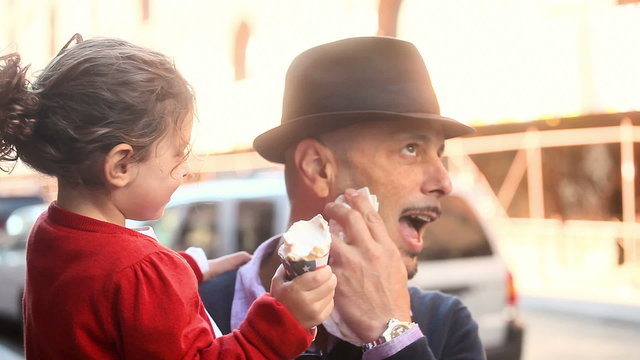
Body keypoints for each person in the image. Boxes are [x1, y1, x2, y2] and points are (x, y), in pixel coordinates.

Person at [0, 34, 336, 359]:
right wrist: (286, 320)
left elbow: (106, 289)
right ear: (120, 164)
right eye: (178, 153)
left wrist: (188, 268)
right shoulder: (141, 270)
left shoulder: (49, 231)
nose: (186, 169)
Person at [200, 36, 486, 359]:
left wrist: (393, 334)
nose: (444, 181)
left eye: (439, 153)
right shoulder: (189, 311)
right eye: (411, 149)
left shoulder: (447, 326)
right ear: (318, 167)